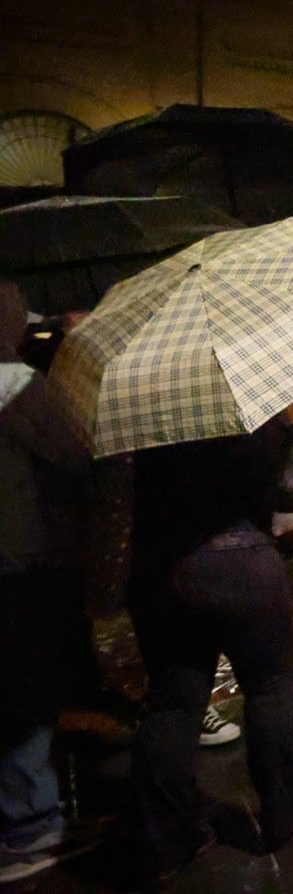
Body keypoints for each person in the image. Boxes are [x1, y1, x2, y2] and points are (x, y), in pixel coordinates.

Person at [123, 398, 293, 881]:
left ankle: (166, 839)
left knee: (173, 703)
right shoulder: (242, 404)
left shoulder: (140, 405)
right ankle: (284, 809)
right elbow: (288, 493)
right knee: (271, 685)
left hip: (163, 570)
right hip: (243, 566)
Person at [0, 283, 98, 884]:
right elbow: (76, 454)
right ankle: (27, 831)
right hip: (16, 558)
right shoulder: (15, 385)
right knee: (24, 692)